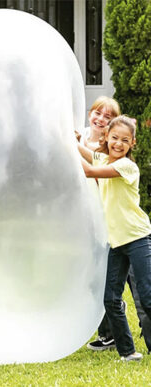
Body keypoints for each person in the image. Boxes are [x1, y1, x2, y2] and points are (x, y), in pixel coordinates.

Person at [79, 115, 151, 361]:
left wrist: (70, 150)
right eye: (114, 138)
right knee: (110, 299)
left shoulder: (126, 167)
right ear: (106, 138)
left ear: (132, 143)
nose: (118, 144)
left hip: (138, 237)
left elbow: (88, 170)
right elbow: (83, 151)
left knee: (148, 296)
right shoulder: (104, 158)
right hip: (116, 242)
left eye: (124, 140)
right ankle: (128, 352)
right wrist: (69, 138)